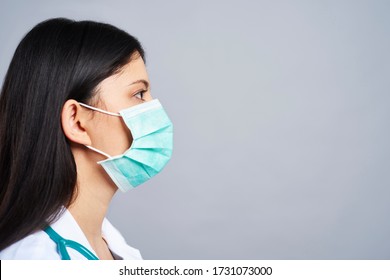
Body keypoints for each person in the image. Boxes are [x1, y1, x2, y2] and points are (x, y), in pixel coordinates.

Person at [0, 18, 173, 260]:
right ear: (77, 121)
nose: (154, 108)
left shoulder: (108, 241)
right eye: (139, 94)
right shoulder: (33, 259)